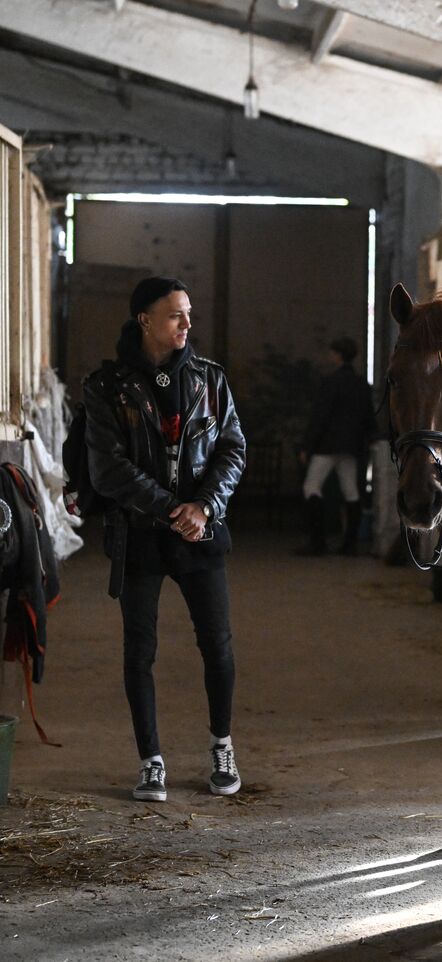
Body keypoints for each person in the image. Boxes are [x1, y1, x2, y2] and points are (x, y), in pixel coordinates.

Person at [85, 277, 247, 803]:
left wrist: (204, 507)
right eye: (176, 315)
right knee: (140, 652)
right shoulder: (106, 387)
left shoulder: (210, 381)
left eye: (189, 314)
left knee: (218, 647)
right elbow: (108, 469)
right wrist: (168, 508)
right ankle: (150, 760)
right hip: (140, 535)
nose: (187, 324)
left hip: (202, 531)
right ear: (145, 321)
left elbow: (231, 451)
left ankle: (222, 746)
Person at [296, 337, 374, 556]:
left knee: (311, 487)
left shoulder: (330, 383)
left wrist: (307, 446)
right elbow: (368, 416)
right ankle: (350, 543)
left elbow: (320, 417)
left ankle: (317, 541)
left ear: (338, 355)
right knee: (351, 492)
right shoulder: (361, 385)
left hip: (327, 446)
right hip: (351, 447)